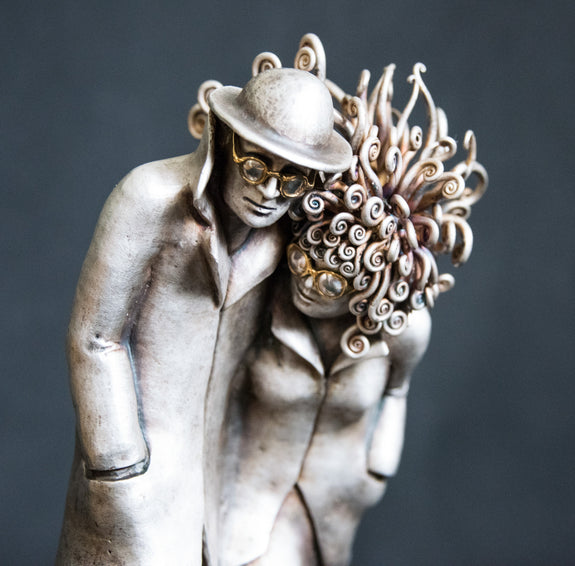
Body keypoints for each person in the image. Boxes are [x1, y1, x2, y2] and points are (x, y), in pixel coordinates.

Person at [56, 67, 352, 566]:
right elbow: (95, 337)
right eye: (256, 166)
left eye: (291, 177)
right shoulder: (149, 197)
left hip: (215, 484)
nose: (270, 191)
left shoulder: (282, 244)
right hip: (136, 477)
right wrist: (119, 467)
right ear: (225, 139)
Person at [218, 208, 432, 566]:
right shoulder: (263, 302)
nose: (307, 282)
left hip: (339, 495)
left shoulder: (403, 330)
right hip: (250, 486)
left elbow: (397, 391)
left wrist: (378, 469)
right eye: (303, 260)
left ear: (369, 285)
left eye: (331, 282)